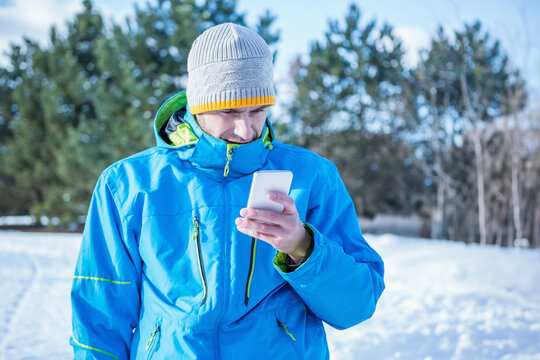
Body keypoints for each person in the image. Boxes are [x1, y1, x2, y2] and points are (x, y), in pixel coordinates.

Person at [70, 22, 384, 359]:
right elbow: (99, 315)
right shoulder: (128, 184)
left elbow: (356, 306)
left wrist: (302, 247)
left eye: (258, 111)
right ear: (197, 104)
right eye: (229, 111)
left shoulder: (312, 177)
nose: (245, 129)